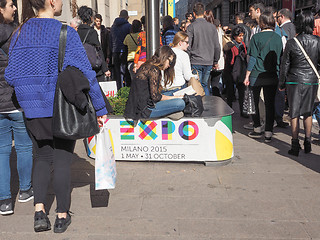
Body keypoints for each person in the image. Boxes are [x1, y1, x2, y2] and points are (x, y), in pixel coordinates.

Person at [5, 0, 107, 233]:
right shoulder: (64, 33)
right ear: (51, 1)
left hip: (32, 110)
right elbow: (86, 73)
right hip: (60, 108)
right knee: (61, 161)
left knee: (41, 158)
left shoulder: (19, 33)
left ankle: (39, 213)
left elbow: (11, 75)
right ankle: (61, 216)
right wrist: (100, 108)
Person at [0, 0, 33, 216]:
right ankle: (25, 190)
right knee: (23, 147)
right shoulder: (17, 34)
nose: (14, 8)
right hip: (17, 100)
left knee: (2, 151)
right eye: (11, 5)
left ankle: (4, 201)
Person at [279, 10, 320, 156]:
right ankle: (308, 142)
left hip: (294, 81)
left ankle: (295, 144)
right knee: (308, 112)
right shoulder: (317, 41)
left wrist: (281, 83)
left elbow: (285, 65)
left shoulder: (292, 42)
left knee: (294, 113)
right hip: (311, 81)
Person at [243, 11, 283, 142]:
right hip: (272, 75)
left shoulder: (256, 37)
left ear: (262, 23)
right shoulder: (278, 37)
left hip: (256, 75)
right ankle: (268, 132)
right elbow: (280, 58)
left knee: (254, 102)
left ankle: (257, 127)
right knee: (270, 104)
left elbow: (253, 58)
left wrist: (247, 75)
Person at [124, 46, 185, 120]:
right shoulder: (154, 70)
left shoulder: (147, 65)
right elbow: (155, 97)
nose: (169, 65)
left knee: (171, 93)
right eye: (170, 62)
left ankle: (168, 112)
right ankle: (167, 113)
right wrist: (175, 98)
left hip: (140, 105)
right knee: (180, 103)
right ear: (164, 58)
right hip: (145, 109)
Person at [187, 2, 220, 96]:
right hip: (208, 61)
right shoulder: (212, 27)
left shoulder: (191, 27)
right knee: (205, 85)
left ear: (194, 13)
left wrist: (188, 59)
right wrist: (215, 60)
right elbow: (217, 46)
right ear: (204, 12)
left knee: (196, 85)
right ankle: (207, 105)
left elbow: (188, 45)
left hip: (195, 60)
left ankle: (199, 106)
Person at [77, 6, 110, 82]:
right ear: (91, 18)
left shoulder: (77, 31)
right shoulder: (92, 32)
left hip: (82, 67)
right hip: (95, 69)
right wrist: (105, 69)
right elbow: (99, 50)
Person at [162, 31, 198, 95]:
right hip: (178, 89)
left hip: (164, 88)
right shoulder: (184, 55)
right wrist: (196, 76)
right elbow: (187, 76)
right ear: (180, 43)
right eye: (187, 42)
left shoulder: (166, 52)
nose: (188, 45)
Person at [224, 26, 247, 116]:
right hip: (230, 71)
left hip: (240, 71)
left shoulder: (243, 45)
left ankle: (243, 111)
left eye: (242, 36)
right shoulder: (230, 46)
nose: (241, 38)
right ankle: (229, 110)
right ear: (234, 36)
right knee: (230, 92)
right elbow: (230, 60)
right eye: (239, 36)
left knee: (242, 92)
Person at [110, 9, 131, 89]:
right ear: (127, 17)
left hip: (115, 51)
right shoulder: (128, 26)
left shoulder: (113, 26)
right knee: (125, 72)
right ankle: (126, 90)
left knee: (117, 73)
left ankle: (119, 90)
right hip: (125, 51)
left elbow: (110, 41)